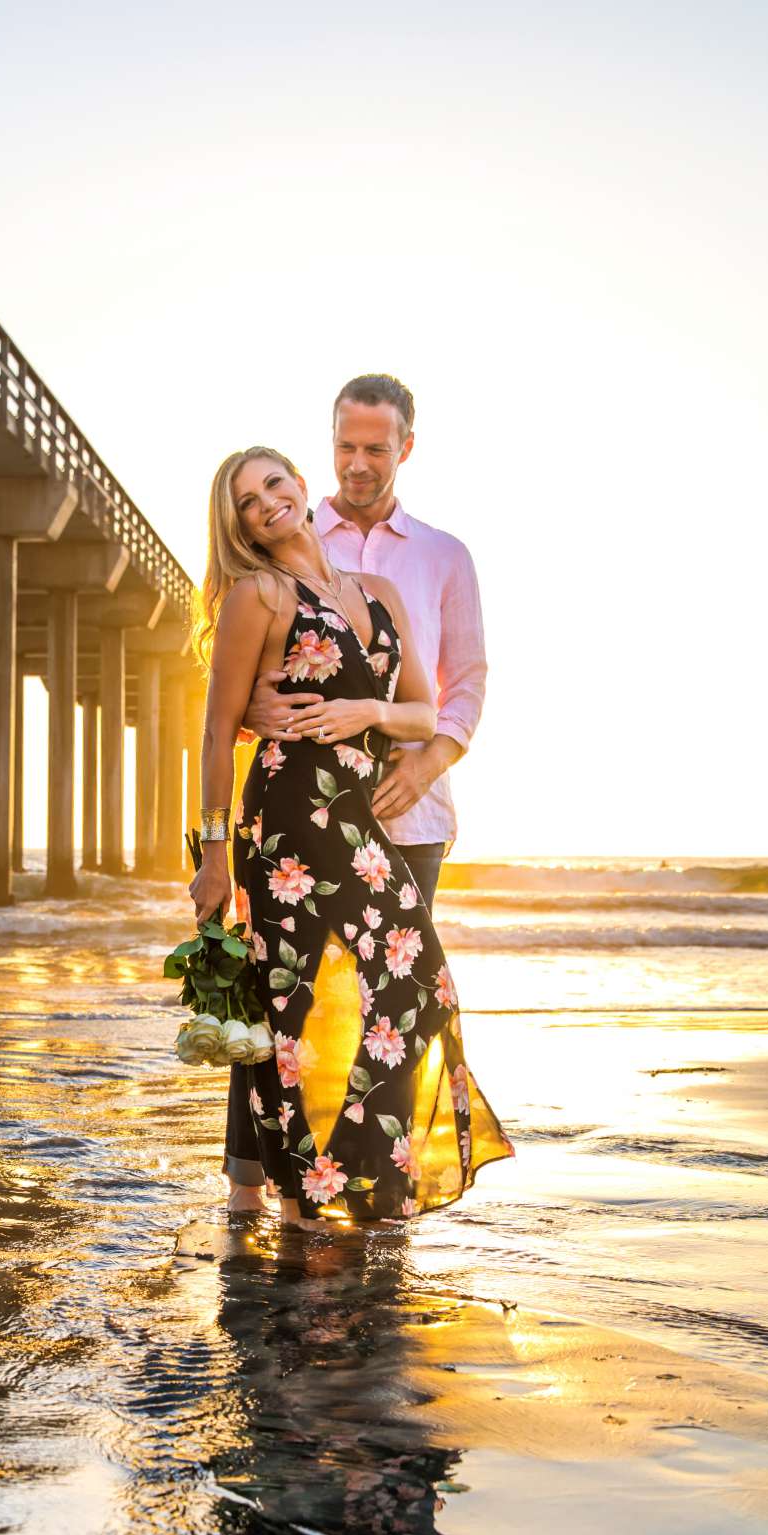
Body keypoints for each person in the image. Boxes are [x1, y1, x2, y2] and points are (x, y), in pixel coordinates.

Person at [190, 446, 511, 1226]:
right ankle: (302, 1200)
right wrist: (210, 854)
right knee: (291, 1012)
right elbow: (213, 730)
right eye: (244, 502)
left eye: (272, 484)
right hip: (285, 824)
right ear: (239, 527)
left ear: (302, 487)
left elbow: (422, 715)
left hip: (358, 821)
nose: (264, 503)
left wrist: (361, 713)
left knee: (414, 983)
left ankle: (369, 1174)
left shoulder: (381, 591)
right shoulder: (257, 595)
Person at [241, 373, 485, 915]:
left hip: (412, 818)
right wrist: (249, 713)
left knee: (404, 993)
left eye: (376, 449)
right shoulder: (278, 541)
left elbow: (466, 683)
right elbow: (232, 679)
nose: (357, 464)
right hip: (305, 815)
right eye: (345, 446)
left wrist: (428, 766)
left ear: (407, 447)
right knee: (313, 997)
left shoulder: (445, 557)